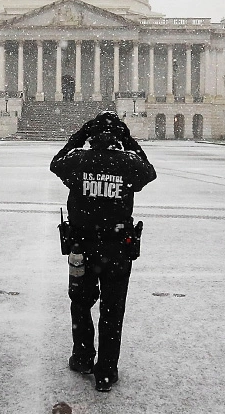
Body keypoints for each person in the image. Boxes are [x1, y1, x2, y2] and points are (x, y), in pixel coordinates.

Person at [50, 111, 156, 391]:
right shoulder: (128, 163)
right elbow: (150, 171)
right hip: (117, 247)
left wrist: (80, 135)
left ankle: (83, 357)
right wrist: (129, 139)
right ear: (116, 139)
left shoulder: (78, 160)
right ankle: (106, 372)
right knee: (112, 310)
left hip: (81, 247)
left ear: (91, 137)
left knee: (81, 303)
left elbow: (55, 163)